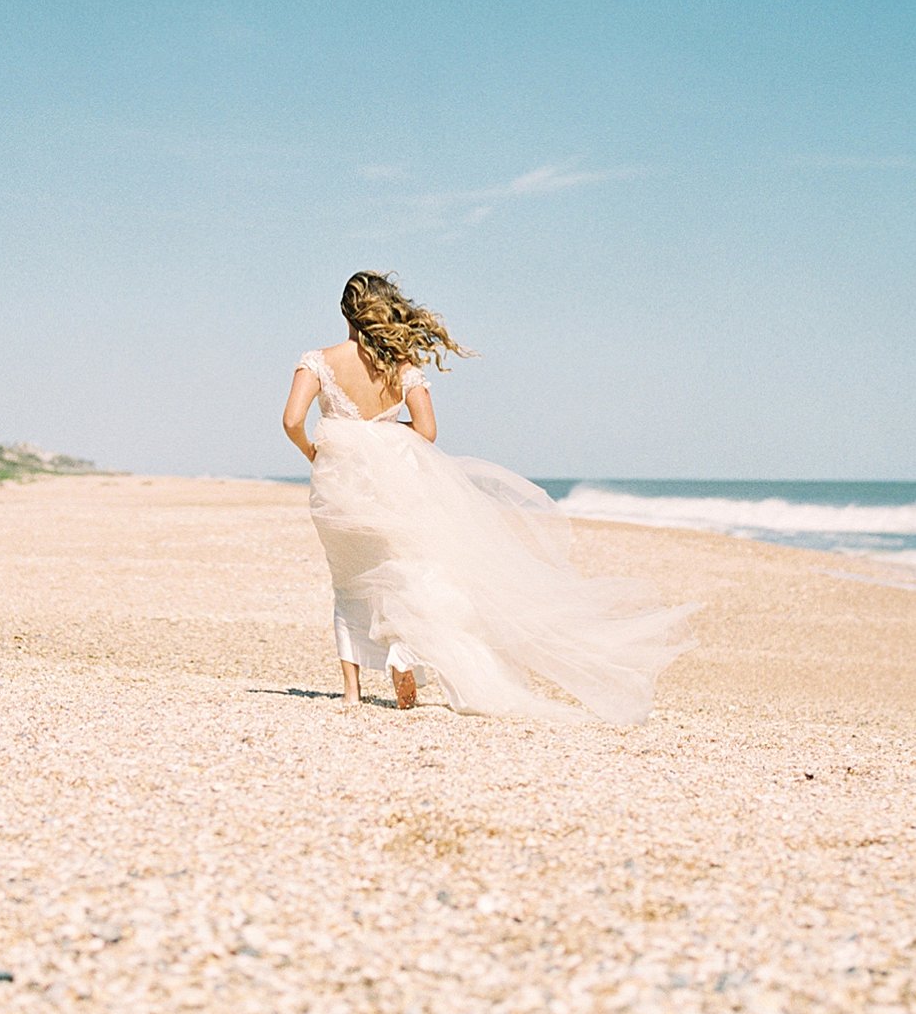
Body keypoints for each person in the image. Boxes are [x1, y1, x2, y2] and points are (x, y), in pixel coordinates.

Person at [282, 270, 693, 719]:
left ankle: (351, 692)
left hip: (341, 481)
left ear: (345, 310)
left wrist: (317, 452)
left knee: (348, 579)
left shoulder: (319, 360)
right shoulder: (402, 366)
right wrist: (382, 432)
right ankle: (405, 647)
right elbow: (426, 431)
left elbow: (291, 420)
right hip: (397, 478)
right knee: (405, 568)